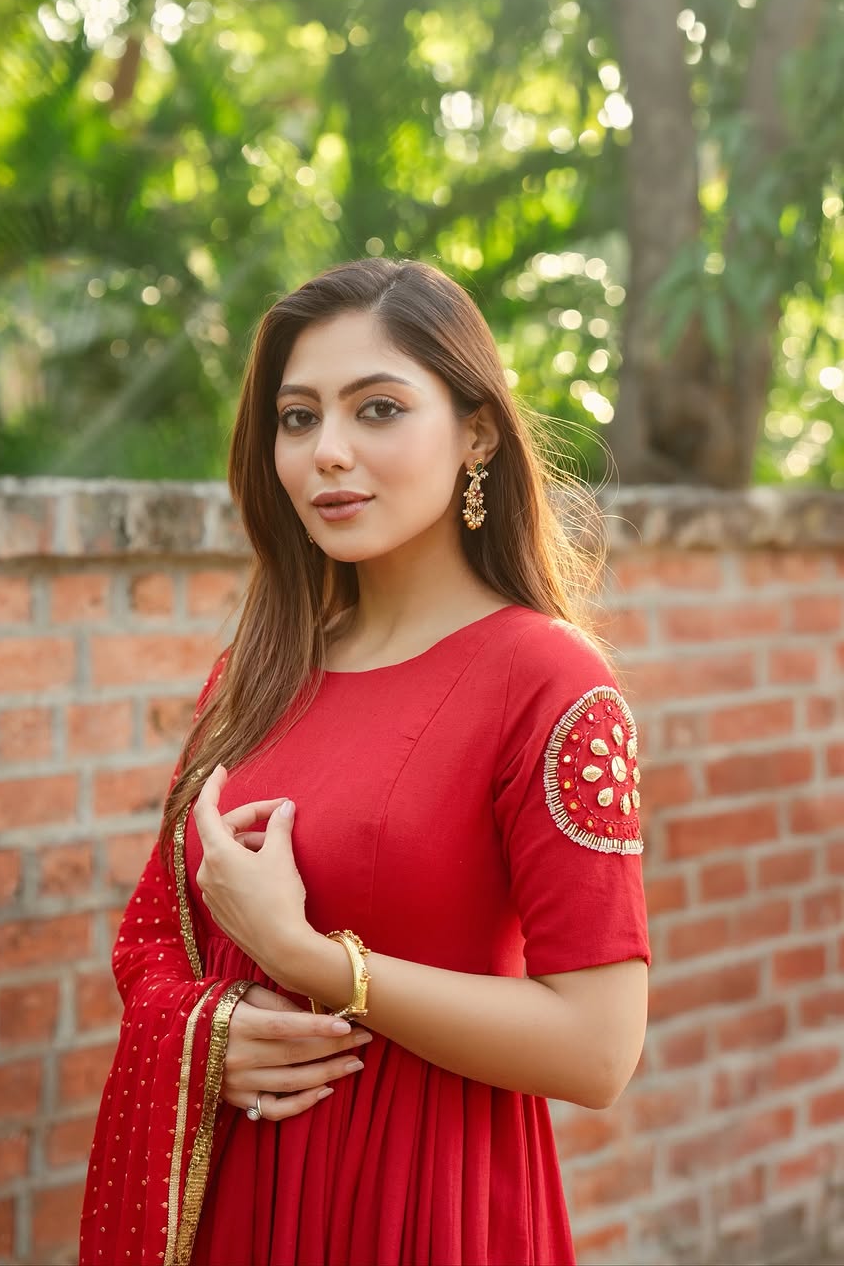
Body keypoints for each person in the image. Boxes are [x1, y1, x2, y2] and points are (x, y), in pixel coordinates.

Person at [79, 258, 649, 1266]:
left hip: (427, 1203)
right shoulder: (254, 675)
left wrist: (313, 966)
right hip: (238, 1202)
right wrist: (209, 1032)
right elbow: (153, 944)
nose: (327, 453)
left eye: (377, 410)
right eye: (298, 420)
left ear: (477, 431)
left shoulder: (549, 683)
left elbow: (598, 1049)